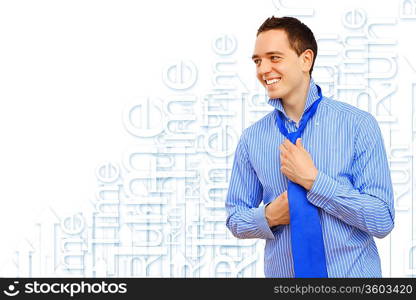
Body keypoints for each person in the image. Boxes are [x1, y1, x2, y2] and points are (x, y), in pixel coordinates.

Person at [225, 16, 395, 278]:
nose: (263, 70)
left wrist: (315, 182)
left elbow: (382, 220)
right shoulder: (252, 139)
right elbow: (235, 218)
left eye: (274, 57)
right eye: (258, 61)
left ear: (306, 59)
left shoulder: (358, 125)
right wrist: (269, 217)